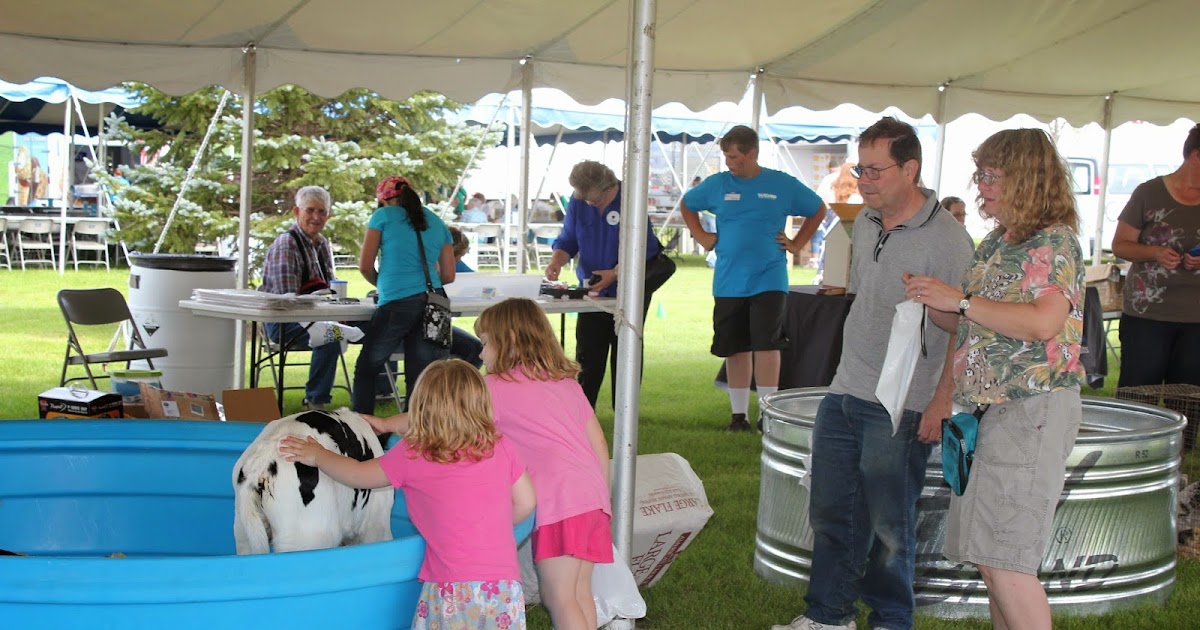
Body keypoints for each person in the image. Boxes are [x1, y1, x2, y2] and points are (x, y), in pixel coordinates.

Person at [771, 117, 974, 630]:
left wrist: (940, 399)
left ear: (911, 168)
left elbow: (967, 328)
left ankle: (891, 620)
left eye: (876, 170)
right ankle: (829, 615)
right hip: (847, 388)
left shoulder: (949, 241)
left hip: (905, 399)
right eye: (860, 168)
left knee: (889, 524)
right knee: (831, 511)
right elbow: (864, 299)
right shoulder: (862, 221)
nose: (864, 179)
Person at [904, 128, 1085, 630]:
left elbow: (1042, 322)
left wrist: (958, 300)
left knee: (1008, 560)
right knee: (990, 558)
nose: (980, 185)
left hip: (1030, 411)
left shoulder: (1054, 241)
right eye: (979, 174)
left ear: (1025, 179)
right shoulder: (996, 242)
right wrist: (933, 299)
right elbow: (970, 319)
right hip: (986, 414)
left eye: (991, 175)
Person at [281, 359, 536, 630]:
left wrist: (320, 456)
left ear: (421, 408)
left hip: (452, 588)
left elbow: (357, 475)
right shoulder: (499, 445)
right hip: (504, 589)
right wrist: (493, 527)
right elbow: (526, 501)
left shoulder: (415, 453)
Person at [475, 297, 612, 630]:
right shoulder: (565, 383)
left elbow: (446, 416)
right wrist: (600, 497)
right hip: (592, 501)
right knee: (579, 592)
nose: (480, 354)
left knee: (558, 597)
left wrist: (393, 424)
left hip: (559, 504)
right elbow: (599, 445)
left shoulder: (494, 387)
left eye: (485, 343)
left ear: (507, 340)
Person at [680, 124, 828, 432]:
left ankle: (767, 414)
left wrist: (798, 243)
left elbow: (817, 209)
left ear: (752, 153)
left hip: (769, 278)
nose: (730, 163)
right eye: (726, 157)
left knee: (767, 345)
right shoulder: (718, 185)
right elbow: (687, 204)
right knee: (735, 347)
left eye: (735, 157)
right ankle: (738, 416)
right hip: (729, 280)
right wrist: (701, 234)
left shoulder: (781, 184)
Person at [545, 160, 674, 409]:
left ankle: (625, 411)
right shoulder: (579, 200)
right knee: (588, 351)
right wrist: (557, 261)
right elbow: (568, 239)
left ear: (609, 188)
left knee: (626, 349)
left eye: (595, 201)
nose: (591, 205)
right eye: (586, 201)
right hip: (592, 289)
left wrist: (615, 274)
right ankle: (584, 411)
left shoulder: (631, 199)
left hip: (631, 288)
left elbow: (643, 248)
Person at [352, 175, 456, 414]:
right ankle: (415, 437)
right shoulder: (437, 222)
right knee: (420, 378)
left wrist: (383, 284)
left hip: (397, 303)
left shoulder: (383, 216)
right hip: (434, 303)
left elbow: (365, 266)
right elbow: (449, 275)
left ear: (383, 200)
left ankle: (363, 430)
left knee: (367, 367)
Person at [1111, 122, 1200, 387]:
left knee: (1186, 402)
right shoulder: (1148, 193)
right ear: (1196, 155)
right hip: (1146, 317)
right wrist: (1155, 253)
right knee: (1138, 395)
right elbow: (1120, 245)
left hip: (1196, 320)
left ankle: (1182, 433)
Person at [260, 185, 344, 410]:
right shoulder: (287, 244)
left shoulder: (322, 243)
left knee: (375, 325)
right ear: (297, 212)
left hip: (317, 316)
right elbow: (289, 302)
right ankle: (315, 402)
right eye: (310, 210)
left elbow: (330, 285)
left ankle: (379, 392)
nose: (316, 217)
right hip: (284, 322)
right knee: (332, 335)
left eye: (322, 212)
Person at [446, 226, 484, 368]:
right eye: (459, 256)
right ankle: (461, 387)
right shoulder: (447, 263)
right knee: (476, 350)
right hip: (428, 329)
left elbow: (477, 282)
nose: (459, 260)